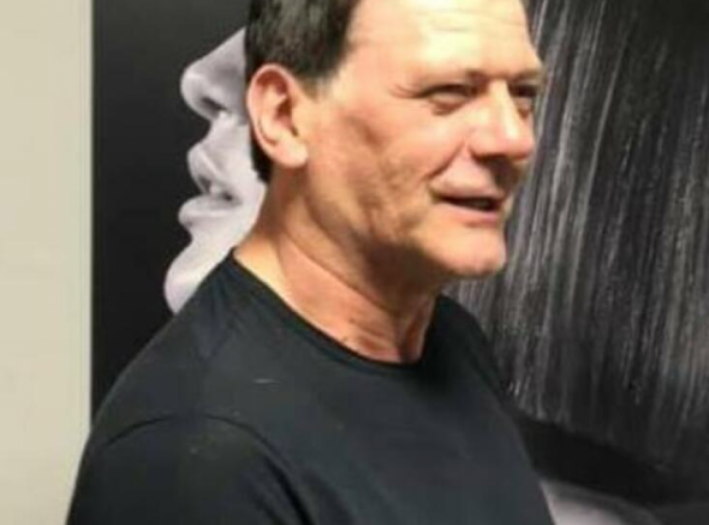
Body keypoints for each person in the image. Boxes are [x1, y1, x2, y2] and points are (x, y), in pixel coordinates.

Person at [68, 0, 557, 523]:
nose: (514, 138)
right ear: (284, 116)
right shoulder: (191, 456)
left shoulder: (453, 342)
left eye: (522, 94)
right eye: (449, 92)